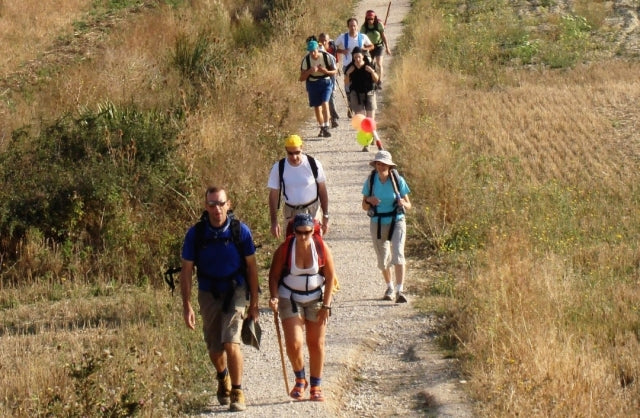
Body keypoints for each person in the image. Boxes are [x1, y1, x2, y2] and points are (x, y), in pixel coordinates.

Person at [180, 186, 260, 412]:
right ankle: (222, 376)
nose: (217, 209)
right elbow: (186, 271)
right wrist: (187, 306)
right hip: (208, 292)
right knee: (215, 348)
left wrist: (254, 303)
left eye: (220, 203)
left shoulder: (240, 231)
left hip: (235, 290)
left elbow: (252, 268)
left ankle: (237, 390)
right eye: (212, 204)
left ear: (229, 204)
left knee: (231, 340)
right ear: (206, 207)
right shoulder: (195, 234)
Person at [268, 213, 336, 402]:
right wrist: (274, 297)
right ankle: (300, 379)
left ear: (313, 231)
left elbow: (330, 277)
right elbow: (273, 276)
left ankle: (316, 385)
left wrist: (327, 305)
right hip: (289, 297)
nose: (303, 236)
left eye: (307, 232)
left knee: (316, 343)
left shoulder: (322, 248)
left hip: (316, 297)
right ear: (294, 232)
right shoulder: (284, 249)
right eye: (299, 232)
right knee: (295, 343)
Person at [361, 151, 412, 303]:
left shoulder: (397, 180)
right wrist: (370, 200)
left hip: (397, 220)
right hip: (377, 222)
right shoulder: (370, 181)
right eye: (378, 163)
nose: (381, 166)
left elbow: (409, 205)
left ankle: (399, 290)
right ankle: (389, 287)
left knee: (398, 253)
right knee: (383, 259)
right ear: (375, 165)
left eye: (384, 164)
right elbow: (364, 206)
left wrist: (403, 203)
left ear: (390, 166)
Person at [267, 134, 330, 239]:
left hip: (312, 211)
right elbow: (273, 196)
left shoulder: (313, 164)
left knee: (316, 246)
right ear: (286, 150)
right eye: (290, 153)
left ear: (302, 148)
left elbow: (323, 190)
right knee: (290, 247)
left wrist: (326, 216)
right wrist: (274, 222)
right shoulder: (279, 167)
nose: (294, 157)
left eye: (297, 152)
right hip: (290, 213)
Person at [300, 39, 337, 138]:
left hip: (326, 82)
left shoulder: (325, 56)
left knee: (325, 103)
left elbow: (334, 71)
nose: (312, 53)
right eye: (310, 51)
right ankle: (322, 127)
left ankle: (326, 126)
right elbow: (301, 78)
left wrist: (325, 71)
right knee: (317, 107)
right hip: (313, 84)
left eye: (314, 50)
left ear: (318, 49)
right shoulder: (306, 60)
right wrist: (309, 71)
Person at [361, 10, 391, 88]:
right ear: (366, 18)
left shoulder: (379, 25)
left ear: (374, 18)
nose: (370, 20)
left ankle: (379, 81)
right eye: (368, 19)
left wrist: (387, 47)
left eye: (372, 18)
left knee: (379, 63)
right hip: (369, 47)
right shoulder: (364, 27)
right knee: (370, 64)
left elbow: (383, 37)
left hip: (379, 46)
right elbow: (361, 39)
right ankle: (373, 79)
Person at [318, 32, 340, 128]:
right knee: (322, 100)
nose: (323, 42)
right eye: (321, 40)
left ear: (328, 40)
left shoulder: (332, 48)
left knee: (330, 97)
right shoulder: (317, 50)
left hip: (330, 75)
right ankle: (329, 119)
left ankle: (333, 117)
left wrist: (335, 71)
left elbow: (337, 61)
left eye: (325, 40)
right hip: (319, 77)